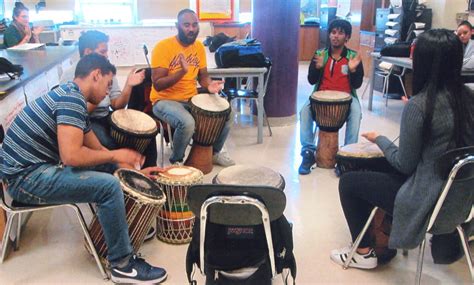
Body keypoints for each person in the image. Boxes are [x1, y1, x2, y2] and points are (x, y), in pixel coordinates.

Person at [1, 54, 167, 283]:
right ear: (95, 74)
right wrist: (116, 154)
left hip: (30, 172)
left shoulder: (71, 96)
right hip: (24, 179)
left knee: (107, 167)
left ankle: (120, 229)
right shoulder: (71, 100)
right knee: (108, 186)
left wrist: (135, 173)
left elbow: (97, 150)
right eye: (108, 84)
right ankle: (122, 264)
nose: (108, 92)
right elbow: (71, 156)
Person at [330, 29, 474, 269]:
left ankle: (363, 252)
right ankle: (385, 235)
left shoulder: (420, 106)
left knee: (349, 182)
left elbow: (405, 164)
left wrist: (380, 139)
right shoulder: (468, 98)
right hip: (459, 201)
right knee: (376, 165)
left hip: (428, 200)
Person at [150, 9, 234, 166]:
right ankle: (176, 161)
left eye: (195, 25)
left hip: (190, 98)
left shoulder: (198, 47)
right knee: (187, 123)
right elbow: (158, 84)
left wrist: (209, 85)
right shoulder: (163, 47)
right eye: (186, 25)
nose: (191, 29)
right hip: (163, 100)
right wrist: (182, 72)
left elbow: (203, 76)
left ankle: (214, 153)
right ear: (177, 26)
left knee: (228, 113)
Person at [60, 30, 146, 151]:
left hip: (106, 116)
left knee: (143, 138)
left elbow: (117, 105)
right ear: (88, 52)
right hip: (88, 121)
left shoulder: (106, 69)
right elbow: (77, 115)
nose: (106, 55)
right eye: (102, 52)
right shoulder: (71, 75)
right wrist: (97, 96)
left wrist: (128, 85)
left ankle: (145, 169)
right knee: (110, 145)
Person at [298, 19, 363, 175]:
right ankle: (308, 152)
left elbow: (357, 84)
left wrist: (354, 71)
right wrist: (317, 68)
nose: (336, 36)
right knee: (304, 111)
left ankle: (348, 156)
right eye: (333, 32)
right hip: (320, 96)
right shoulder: (320, 54)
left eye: (340, 33)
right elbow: (311, 80)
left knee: (356, 113)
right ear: (329, 35)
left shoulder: (353, 57)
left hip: (347, 97)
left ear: (347, 37)